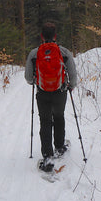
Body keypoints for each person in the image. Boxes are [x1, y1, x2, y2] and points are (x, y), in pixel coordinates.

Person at [25, 22, 78, 172]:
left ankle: (47, 157)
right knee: (59, 117)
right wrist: (71, 85)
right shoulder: (64, 52)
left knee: (45, 121)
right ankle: (60, 147)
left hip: (42, 93)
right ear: (55, 36)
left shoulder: (34, 54)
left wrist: (36, 82)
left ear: (42, 36)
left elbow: (28, 77)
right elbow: (72, 74)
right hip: (60, 92)